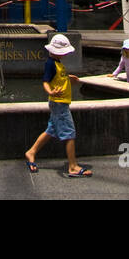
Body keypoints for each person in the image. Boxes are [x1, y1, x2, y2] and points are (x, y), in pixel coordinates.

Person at [24, 33, 91, 177]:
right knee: (70, 134)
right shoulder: (50, 64)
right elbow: (46, 82)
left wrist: (68, 79)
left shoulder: (57, 63)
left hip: (60, 103)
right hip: (59, 104)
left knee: (51, 130)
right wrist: (51, 92)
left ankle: (31, 152)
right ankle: (72, 166)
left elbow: (57, 79)